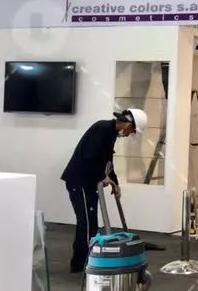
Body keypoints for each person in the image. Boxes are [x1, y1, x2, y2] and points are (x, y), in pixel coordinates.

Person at [61, 108, 147, 273]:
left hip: (88, 183)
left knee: (91, 224)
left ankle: (83, 263)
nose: (129, 134)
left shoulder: (110, 133)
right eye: (131, 131)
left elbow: (107, 160)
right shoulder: (102, 129)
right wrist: (102, 176)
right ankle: (81, 265)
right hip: (79, 182)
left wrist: (115, 182)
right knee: (87, 224)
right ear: (128, 125)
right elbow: (90, 157)